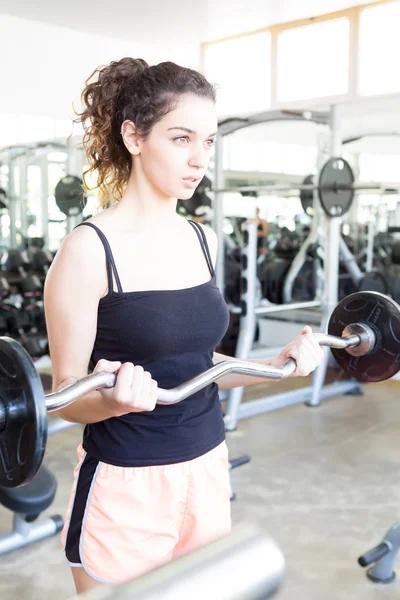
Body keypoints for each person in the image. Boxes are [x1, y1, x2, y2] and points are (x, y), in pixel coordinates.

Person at [44, 57, 323, 595]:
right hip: (127, 482)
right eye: (181, 138)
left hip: (207, 466)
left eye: (209, 141)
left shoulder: (202, 240)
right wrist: (115, 401)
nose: (199, 159)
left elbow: (200, 369)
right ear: (133, 136)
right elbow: (65, 395)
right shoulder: (87, 250)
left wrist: (275, 367)